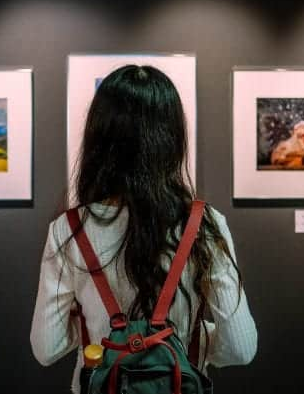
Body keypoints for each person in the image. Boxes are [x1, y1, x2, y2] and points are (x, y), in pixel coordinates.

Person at [30, 65, 257, 393]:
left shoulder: (68, 230)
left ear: (98, 138)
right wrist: (189, 338)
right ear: (173, 138)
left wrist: (96, 332)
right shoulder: (204, 224)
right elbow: (240, 347)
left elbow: (46, 348)